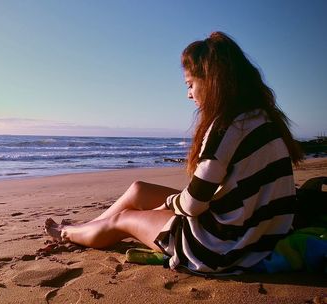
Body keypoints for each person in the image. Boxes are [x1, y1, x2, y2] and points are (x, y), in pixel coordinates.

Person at [44, 32, 303, 273]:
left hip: (223, 248)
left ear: (213, 80)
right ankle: (87, 229)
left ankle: (68, 233)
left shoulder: (226, 127)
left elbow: (193, 204)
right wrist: (170, 204)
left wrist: (169, 204)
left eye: (190, 84)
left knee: (123, 220)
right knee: (138, 189)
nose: (188, 94)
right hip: (259, 232)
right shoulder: (263, 119)